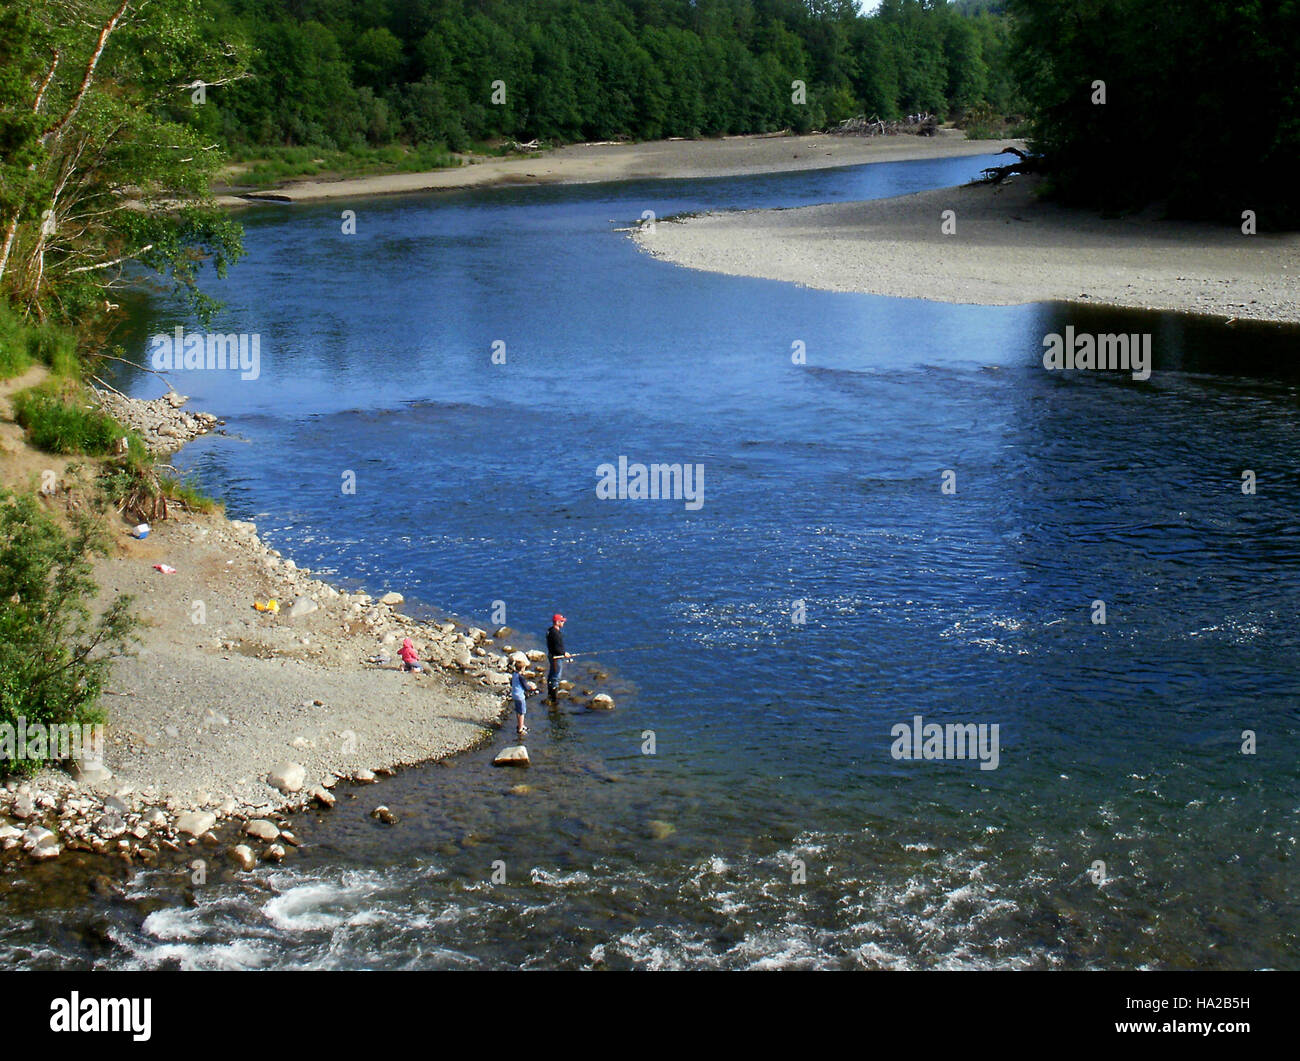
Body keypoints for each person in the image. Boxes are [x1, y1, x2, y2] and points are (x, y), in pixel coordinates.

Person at [546, 613, 571, 702]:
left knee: (552, 674)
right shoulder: (555, 633)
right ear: (557, 622)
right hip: (556, 657)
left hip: (552, 655)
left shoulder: (550, 631)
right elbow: (557, 648)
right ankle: (553, 698)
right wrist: (564, 653)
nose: (563, 623)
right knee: (556, 676)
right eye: (562, 621)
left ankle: (550, 693)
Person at [510, 658, 537, 737]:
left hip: (514, 694)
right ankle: (520, 729)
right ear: (522, 669)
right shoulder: (521, 677)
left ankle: (520, 725)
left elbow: (512, 683)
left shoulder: (514, 674)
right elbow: (526, 687)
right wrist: (532, 687)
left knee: (518, 711)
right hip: (520, 696)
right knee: (522, 712)